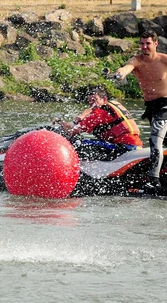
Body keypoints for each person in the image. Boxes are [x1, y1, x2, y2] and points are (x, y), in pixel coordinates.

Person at [114, 30, 167, 192]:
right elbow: (126, 68)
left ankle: (153, 180)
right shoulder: (137, 61)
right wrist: (119, 74)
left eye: (148, 43)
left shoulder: (164, 60)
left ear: (156, 44)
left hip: (165, 105)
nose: (144, 47)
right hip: (151, 108)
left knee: (155, 140)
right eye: (142, 43)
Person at [58, 87, 142, 160]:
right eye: (89, 100)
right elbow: (91, 109)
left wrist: (60, 122)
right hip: (136, 145)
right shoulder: (115, 103)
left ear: (104, 99)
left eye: (94, 100)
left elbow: (72, 131)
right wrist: (82, 115)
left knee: (76, 143)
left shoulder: (97, 114)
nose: (91, 103)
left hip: (123, 148)